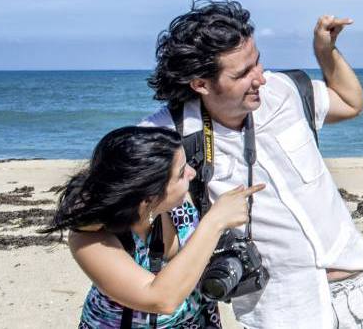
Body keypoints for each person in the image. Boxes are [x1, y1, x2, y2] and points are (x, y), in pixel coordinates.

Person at [140, 0, 363, 328]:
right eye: (242, 73)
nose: (259, 78)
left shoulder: (284, 90)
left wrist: (325, 51)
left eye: (257, 63)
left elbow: (350, 102)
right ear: (200, 83)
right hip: (278, 310)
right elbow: (111, 200)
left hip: (358, 297)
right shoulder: (168, 133)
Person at [42, 126, 264, 328]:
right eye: (181, 173)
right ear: (148, 197)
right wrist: (215, 222)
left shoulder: (181, 203)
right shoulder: (91, 238)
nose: (192, 173)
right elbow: (160, 299)